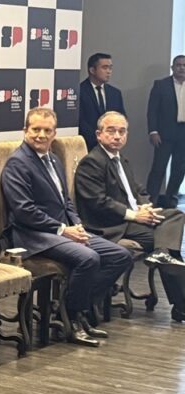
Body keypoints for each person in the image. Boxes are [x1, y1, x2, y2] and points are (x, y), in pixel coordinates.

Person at [1, 107, 132, 347]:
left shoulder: (53, 159)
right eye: (35, 129)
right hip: (33, 236)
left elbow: (66, 201)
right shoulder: (18, 163)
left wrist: (77, 224)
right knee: (88, 258)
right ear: (25, 131)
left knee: (120, 255)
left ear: (54, 133)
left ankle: (73, 306)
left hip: (62, 231)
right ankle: (71, 319)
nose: (41, 135)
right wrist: (63, 229)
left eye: (47, 130)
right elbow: (24, 211)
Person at [73, 111, 185, 321]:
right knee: (166, 241)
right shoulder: (92, 162)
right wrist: (134, 215)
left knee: (175, 215)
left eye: (122, 131)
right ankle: (181, 305)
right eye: (111, 131)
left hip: (132, 219)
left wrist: (146, 208)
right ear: (98, 135)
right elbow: (98, 202)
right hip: (110, 225)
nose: (117, 136)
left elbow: (139, 191)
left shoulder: (121, 160)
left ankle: (162, 256)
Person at [146, 55, 185, 208]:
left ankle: (171, 199)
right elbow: (152, 110)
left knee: (179, 169)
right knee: (158, 168)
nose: (182, 68)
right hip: (164, 133)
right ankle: (150, 200)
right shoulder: (161, 85)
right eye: (178, 65)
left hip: (183, 133)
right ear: (172, 67)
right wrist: (153, 131)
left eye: (184, 65)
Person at [78, 52, 125, 151]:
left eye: (110, 68)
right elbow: (80, 120)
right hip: (87, 145)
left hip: (111, 145)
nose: (109, 71)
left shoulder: (115, 93)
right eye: (105, 67)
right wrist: (99, 139)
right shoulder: (79, 91)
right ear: (92, 70)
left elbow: (121, 118)